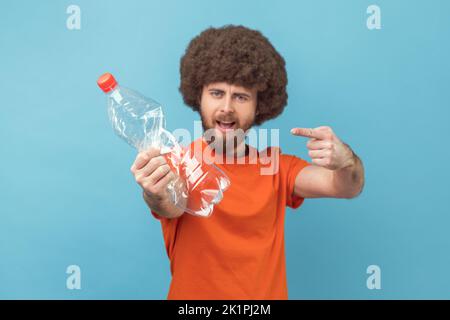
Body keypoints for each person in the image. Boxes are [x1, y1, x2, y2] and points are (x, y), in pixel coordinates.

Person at [130, 25, 365, 299]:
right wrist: (153, 191)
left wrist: (346, 160)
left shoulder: (277, 167)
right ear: (199, 97)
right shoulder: (177, 162)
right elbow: (169, 205)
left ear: (259, 106)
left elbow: (348, 187)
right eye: (217, 93)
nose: (227, 107)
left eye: (241, 97)